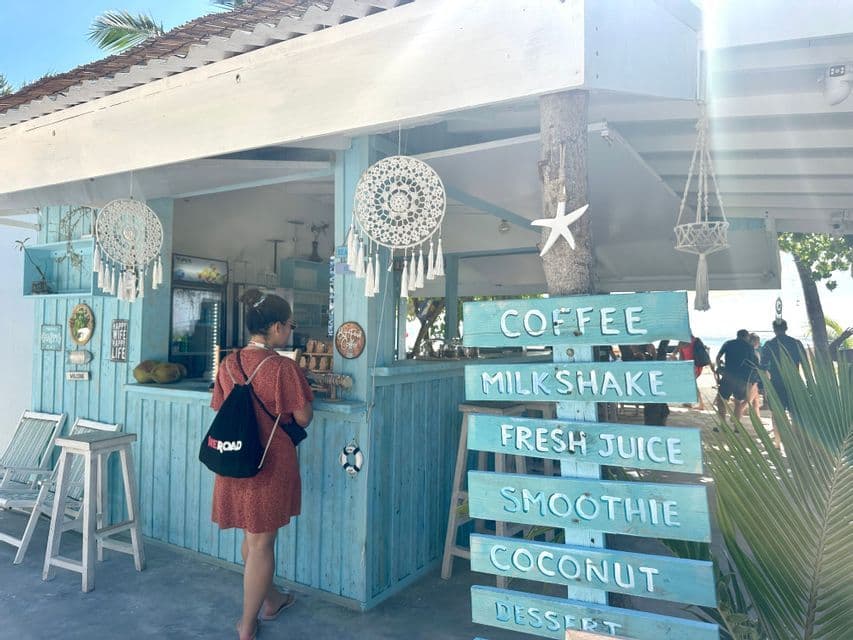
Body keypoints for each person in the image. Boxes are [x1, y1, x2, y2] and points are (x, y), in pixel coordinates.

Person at [211, 289, 313, 640]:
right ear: (274, 328)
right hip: (270, 465)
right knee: (261, 543)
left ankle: (272, 599)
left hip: (236, 459)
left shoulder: (229, 363)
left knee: (252, 537)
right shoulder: (284, 367)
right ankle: (247, 625)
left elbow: (220, 407)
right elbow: (303, 417)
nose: (290, 330)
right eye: (288, 325)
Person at [760, 318, 806, 413]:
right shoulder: (796, 343)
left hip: (776, 383)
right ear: (786, 328)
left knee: (778, 415)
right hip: (794, 383)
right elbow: (805, 365)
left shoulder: (770, 344)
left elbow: (763, 366)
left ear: (774, 329)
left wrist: (765, 385)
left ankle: (778, 428)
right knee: (795, 415)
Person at [714, 329, 758, 420]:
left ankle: (723, 424)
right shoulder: (750, 347)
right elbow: (753, 364)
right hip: (742, 379)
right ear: (747, 337)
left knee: (721, 401)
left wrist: (720, 367)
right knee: (738, 402)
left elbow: (718, 357)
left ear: (737, 335)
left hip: (728, 376)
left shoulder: (728, 343)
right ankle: (736, 427)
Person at [678, 335, 713, 410]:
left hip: (690, 367)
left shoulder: (681, 342)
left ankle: (700, 404)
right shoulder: (696, 340)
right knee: (691, 384)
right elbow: (704, 353)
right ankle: (690, 402)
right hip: (697, 366)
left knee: (692, 384)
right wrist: (712, 367)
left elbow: (681, 358)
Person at [747, 333, 763, 415]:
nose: (759, 343)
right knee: (748, 401)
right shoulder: (753, 353)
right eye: (758, 341)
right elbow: (757, 367)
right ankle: (736, 416)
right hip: (752, 379)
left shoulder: (747, 351)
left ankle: (758, 420)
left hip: (750, 378)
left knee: (756, 401)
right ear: (753, 341)